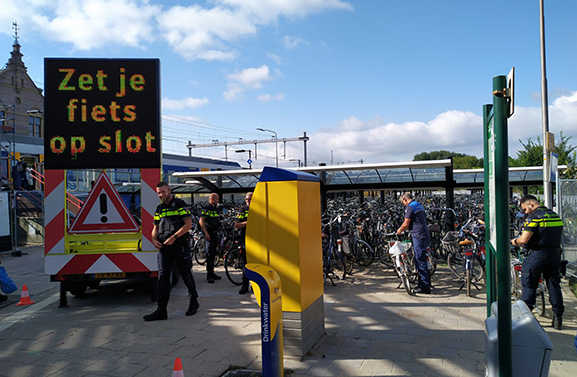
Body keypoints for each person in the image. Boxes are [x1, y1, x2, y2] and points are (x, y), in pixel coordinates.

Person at [143, 181, 199, 321]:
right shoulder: (159, 208)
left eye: (164, 191)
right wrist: (153, 239)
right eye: (159, 193)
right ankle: (161, 310)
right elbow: (155, 227)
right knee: (163, 278)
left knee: (185, 274)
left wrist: (174, 237)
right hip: (164, 249)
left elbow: (188, 225)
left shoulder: (180, 204)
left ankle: (194, 301)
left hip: (179, 246)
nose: (162, 195)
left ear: (169, 190)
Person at [511, 194, 564, 330]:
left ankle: (526, 320)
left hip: (538, 255)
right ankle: (557, 318)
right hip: (555, 255)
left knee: (529, 285)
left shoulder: (534, 217)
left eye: (525, 209)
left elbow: (523, 240)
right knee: (554, 286)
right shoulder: (555, 216)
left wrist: (514, 241)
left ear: (531, 205)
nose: (525, 212)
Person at [397, 192, 431, 294]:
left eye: (403, 202)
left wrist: (399, 230)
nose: (404, 204)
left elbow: (406, 223)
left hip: (418, 235)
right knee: (421, 258)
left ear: (405, 199)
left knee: (420, 260)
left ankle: (425, 287)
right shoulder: (418, 205)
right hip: (424, 233)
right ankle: (422, 283)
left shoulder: (410, 207)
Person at [199, 193, 222, 284]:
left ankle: (212, 273)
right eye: (217, 199)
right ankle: (209, 275)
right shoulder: (206, 208)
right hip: (209, 234)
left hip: (215, 234)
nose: (218, 201)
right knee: (209, 255)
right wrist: (206, 233)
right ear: (212, 199)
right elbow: (201, 221)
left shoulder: (215, 209)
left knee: (213, 254)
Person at [234, 192, 252, 294]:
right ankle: (245, 285)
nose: (248, 201)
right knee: (245, 263)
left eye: (250, 199)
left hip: (258, 241)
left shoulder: (259, 208)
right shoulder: (243, 209)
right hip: (245, 239)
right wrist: (248, 222)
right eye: (246, 199)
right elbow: (236, 225)